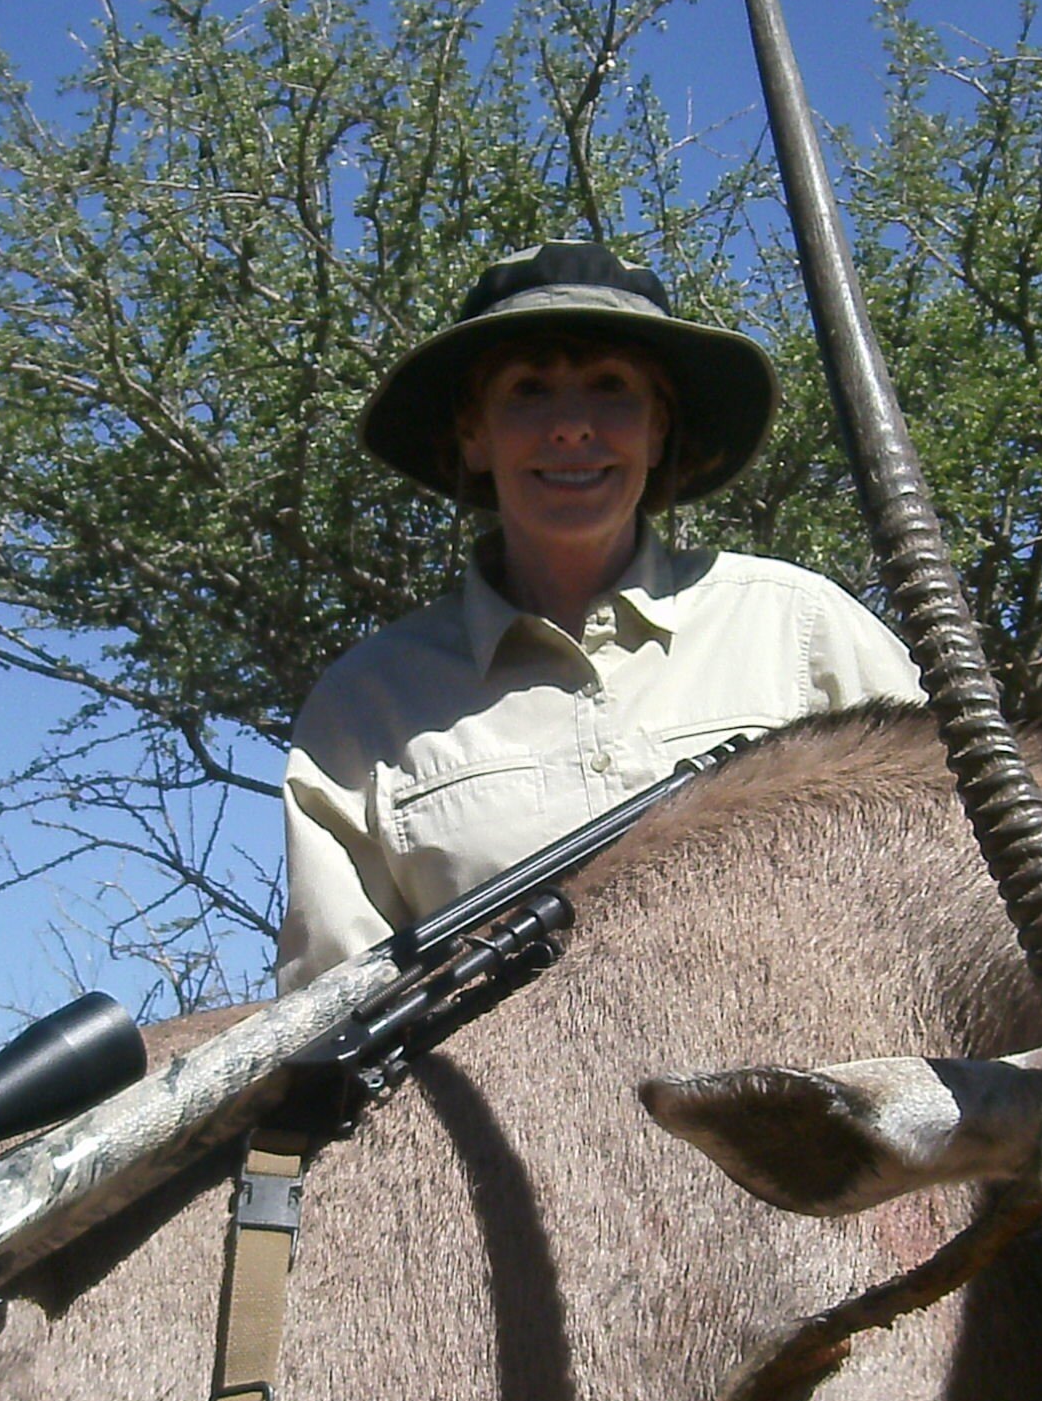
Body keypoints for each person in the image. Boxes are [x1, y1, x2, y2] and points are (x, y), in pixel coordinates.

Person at [277, 240, 922, 987]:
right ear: (472, 435)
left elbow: (956, 873)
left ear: (657, 430)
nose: (573, 427)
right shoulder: (365, 705)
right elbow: (331, 1004)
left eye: (612, 387)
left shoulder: (803, 630)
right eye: (528, 390)